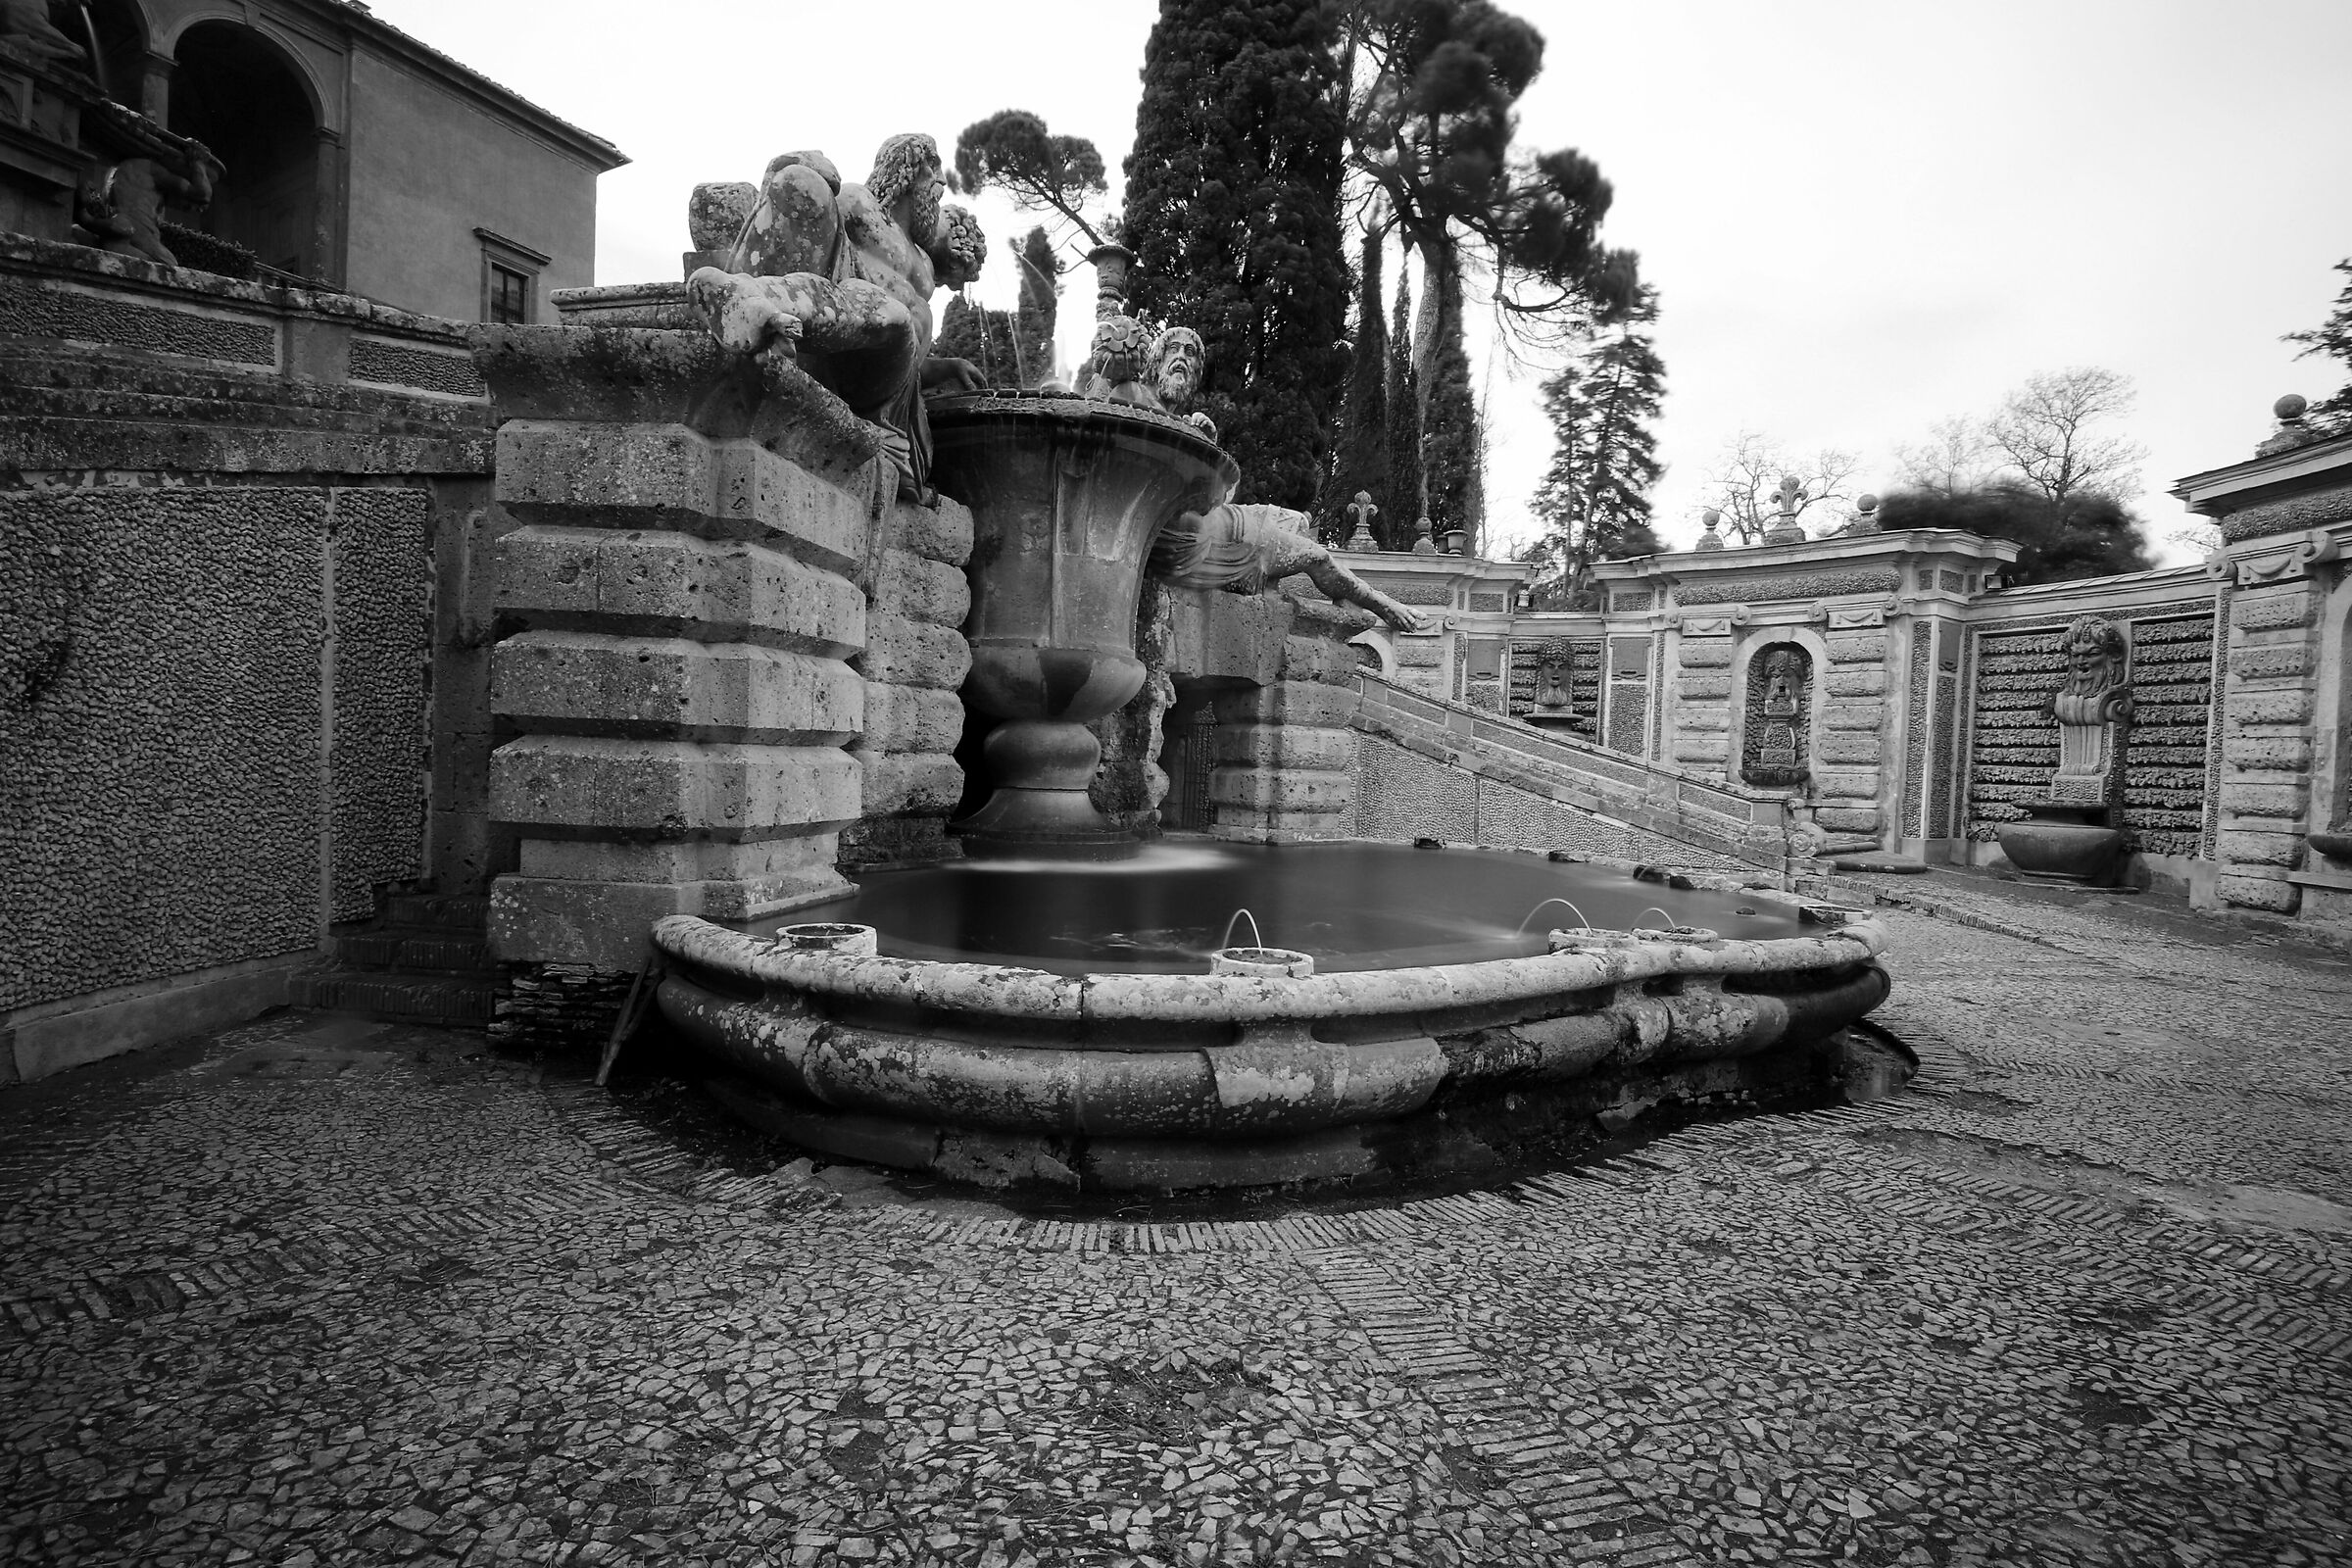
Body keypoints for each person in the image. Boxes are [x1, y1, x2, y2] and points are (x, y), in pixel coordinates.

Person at [686, 134, 985, 502]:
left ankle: (750, 297)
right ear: (913, 171)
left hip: (880, 381)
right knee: (873, 299)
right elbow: (808, 234)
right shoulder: (863, 205)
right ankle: (749, 302)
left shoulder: (921, 264)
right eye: (934, 173)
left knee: (888, 312)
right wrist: (799, 167)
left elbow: (899, 364)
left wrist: (944, 367)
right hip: (839, 340)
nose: (941, 188)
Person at [1150, 497, 1432, 633]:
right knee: (1317, 556)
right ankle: (1380, 602)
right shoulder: (1266, 531)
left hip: (1226, 533)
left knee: (1312, 548)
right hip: (1235, 536)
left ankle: (1377, 602)